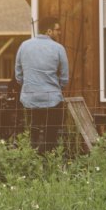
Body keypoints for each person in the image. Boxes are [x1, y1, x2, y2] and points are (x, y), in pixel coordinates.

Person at [14, 15, 70, 153]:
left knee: (32, 132)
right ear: (49, 31)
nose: (59, 33)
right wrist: (56, 87)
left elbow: (18, 75)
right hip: (51, 99)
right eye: (57, 30)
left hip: (29, 99)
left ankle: (32, 158)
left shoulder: (24, 46)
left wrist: (29, 86)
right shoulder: (58, 48)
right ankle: (46, 158)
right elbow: (64, 78)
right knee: (50, 135)